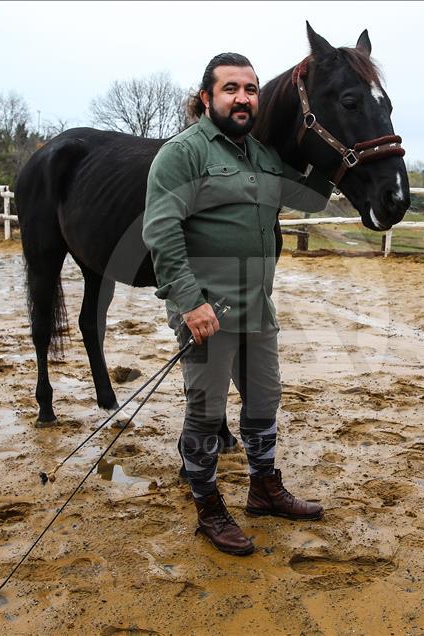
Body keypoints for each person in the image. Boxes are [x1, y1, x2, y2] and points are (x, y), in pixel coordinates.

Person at [142, 52, 333, 555]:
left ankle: (263, 489)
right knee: (206, 413)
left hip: (258, 306)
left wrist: (337, 151)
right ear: (207, 98)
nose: (243, 97)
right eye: (230, 88)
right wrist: (189, 302)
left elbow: (309, 199)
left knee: (264, 402)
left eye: (250, 89)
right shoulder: (182, 154)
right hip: (207, 310)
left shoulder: (263, 155)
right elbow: (161, 232)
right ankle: (207, 507)